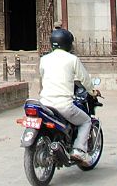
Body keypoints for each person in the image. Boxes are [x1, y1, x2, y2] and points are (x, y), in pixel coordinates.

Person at [38, 27, 94, 164]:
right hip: (64, 105)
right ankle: (79, 150)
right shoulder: (72, 59)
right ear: (68, 43)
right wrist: (93, 91)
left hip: (45, 104)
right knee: (86, 121)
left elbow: (42, 76)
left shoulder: (44, 59)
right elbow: (84, 78)